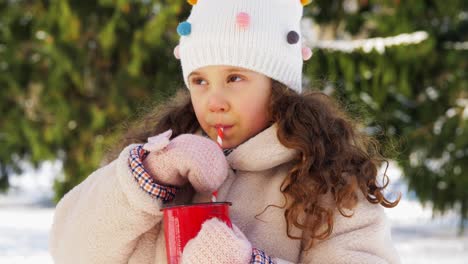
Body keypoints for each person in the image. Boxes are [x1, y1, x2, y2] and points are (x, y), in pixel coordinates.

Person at [49, 0, 401, 263]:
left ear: (277, 87)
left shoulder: (329, 181)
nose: (213, 101)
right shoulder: (166, 165)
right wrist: (145, 177)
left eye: (235, 78)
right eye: (199, 81)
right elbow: (71, 250)